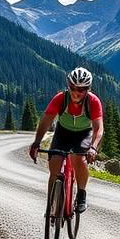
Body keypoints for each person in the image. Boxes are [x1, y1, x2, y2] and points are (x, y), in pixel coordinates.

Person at [28, 67, 103, 213]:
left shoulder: (93, 101)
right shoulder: (61, 98)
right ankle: (50, 206)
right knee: (54, 166)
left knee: (78, 159)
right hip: (62, 132)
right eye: (72, 87)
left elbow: (98, 128)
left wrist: (93, 147)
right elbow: (45, 121)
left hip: (83, 135)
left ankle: (81, 194)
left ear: (88, 89)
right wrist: (36, 143)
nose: (76, 92)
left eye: (81, 89)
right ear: (68, 86)